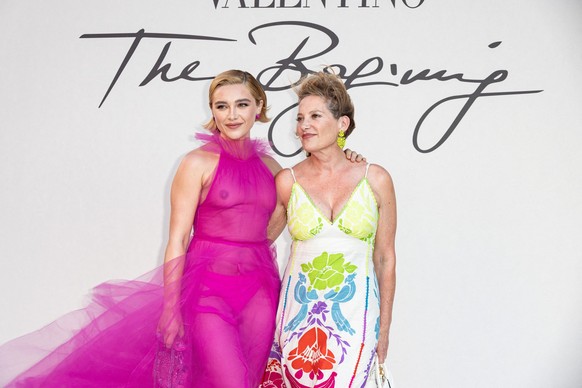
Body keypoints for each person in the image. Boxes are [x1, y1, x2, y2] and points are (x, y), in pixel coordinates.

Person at [0, 69, 363, 388]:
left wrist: (349, 157)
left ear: (258, 108)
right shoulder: (196, 163)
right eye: (221, 106)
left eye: (241, 104)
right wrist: (171, 308)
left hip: (261, 293)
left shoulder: (273, 168)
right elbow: (177, 239)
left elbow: (287, 211)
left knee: (249, 382)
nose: (231, 114)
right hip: (208, 291)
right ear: (213, 113)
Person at [261, 71, 397, 387]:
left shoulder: (375, 179)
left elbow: (385, 259)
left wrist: (385, 329)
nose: (303, 126)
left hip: (357, 317)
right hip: (296, 318)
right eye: (299, 118)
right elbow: (259, 243)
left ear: (342, 124)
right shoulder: (287, 181)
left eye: (314, 116)